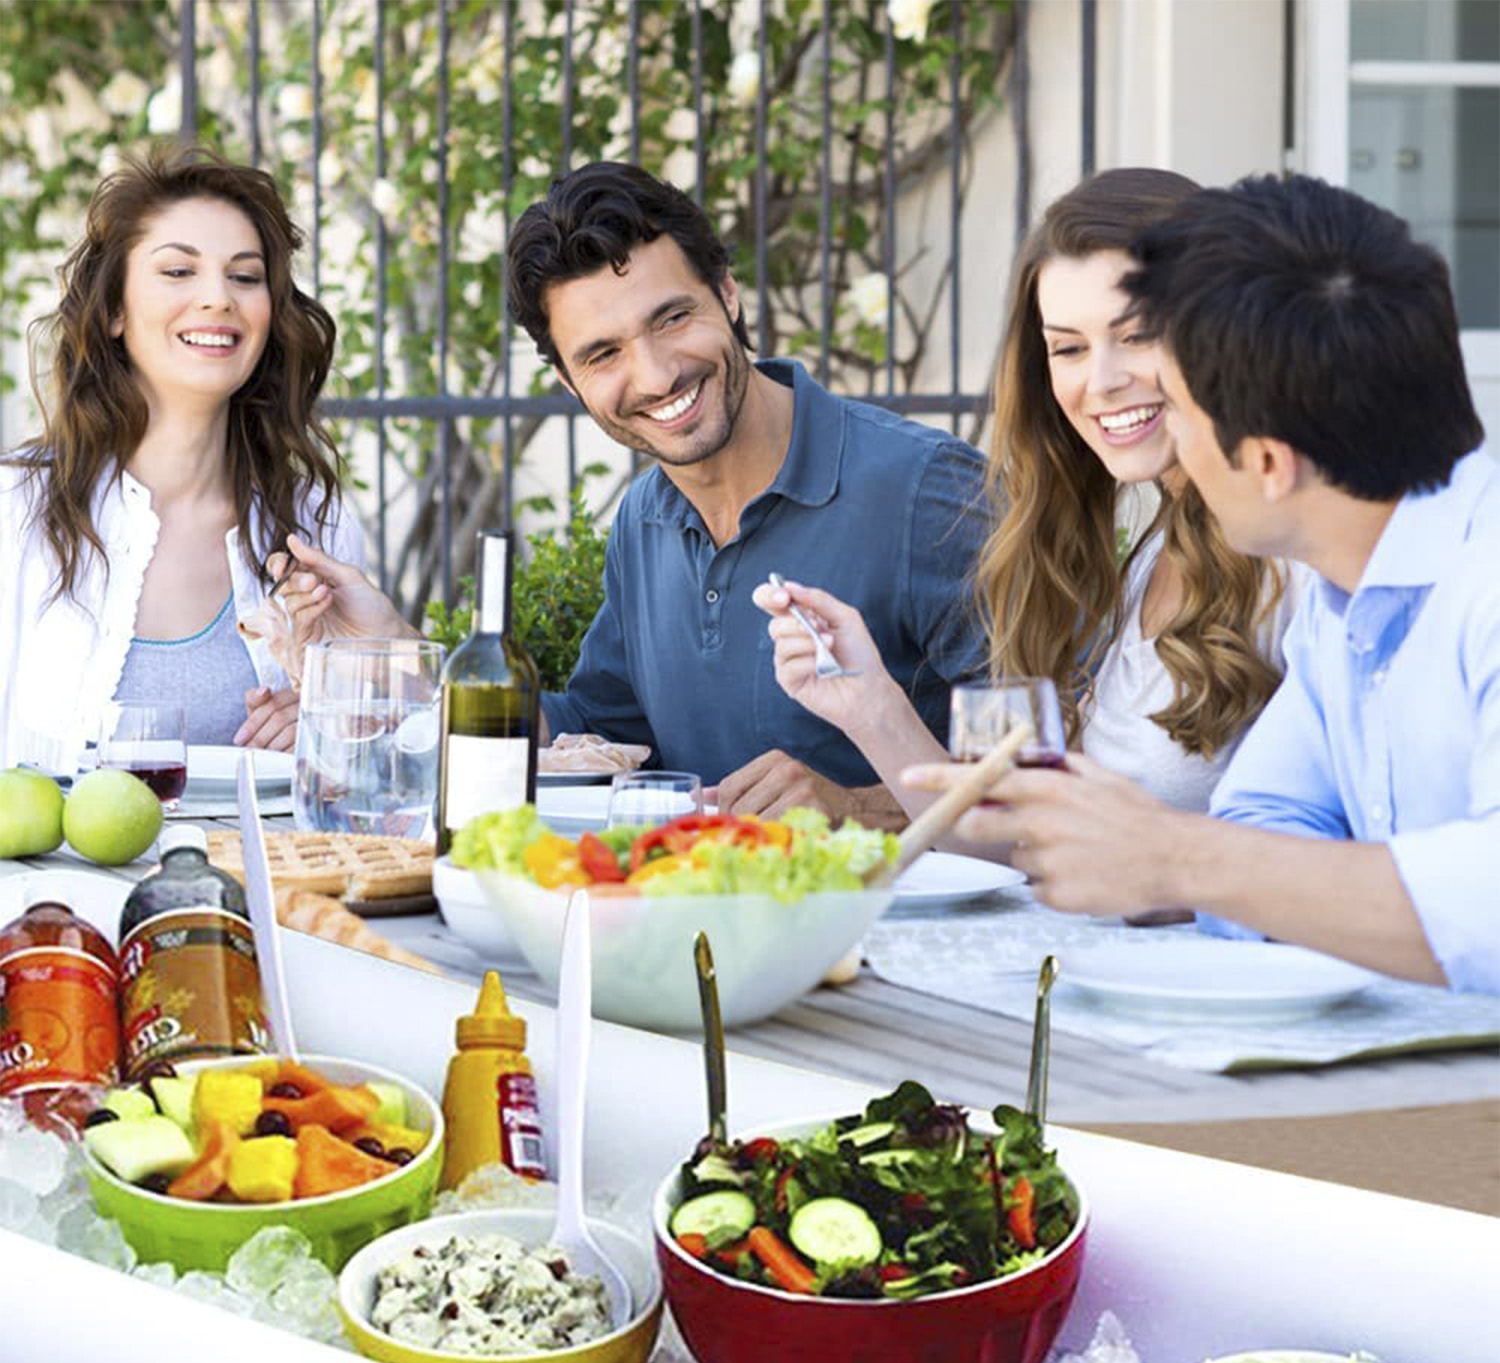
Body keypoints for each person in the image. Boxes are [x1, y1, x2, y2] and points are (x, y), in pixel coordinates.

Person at [906, 174, 1498, 994]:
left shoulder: (1477, 587)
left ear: (1264, 462)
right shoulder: (1340, 603)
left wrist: (1177, 858)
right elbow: (1262, 817)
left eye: (1180, 409)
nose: (1168, 448)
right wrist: (1174, 862)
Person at [754, 168, 1302, 834]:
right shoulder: (1153, 555)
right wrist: (868, 703)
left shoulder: (1296, 558)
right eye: (1068, 348)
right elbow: (1030, 846)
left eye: (1137, 335)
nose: (1102, 381)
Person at [507, 161, 989, 821]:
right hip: (699, 921)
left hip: (908, 922)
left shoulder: (930, 488)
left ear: (728, 295)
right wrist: (409, 669)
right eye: (602, 355)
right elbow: (594, 731)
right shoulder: (643, 519)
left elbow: (1053, 759)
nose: (654, 376)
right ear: (569, 383)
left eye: (672, 318)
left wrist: (854, 807)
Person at [0, 143, 366, 773]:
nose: (218, 297)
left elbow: (366, 775)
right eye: (178, 272)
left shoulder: (318, 526)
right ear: (114, 310)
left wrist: (327, 727)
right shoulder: (16, 512)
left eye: (245, 276)